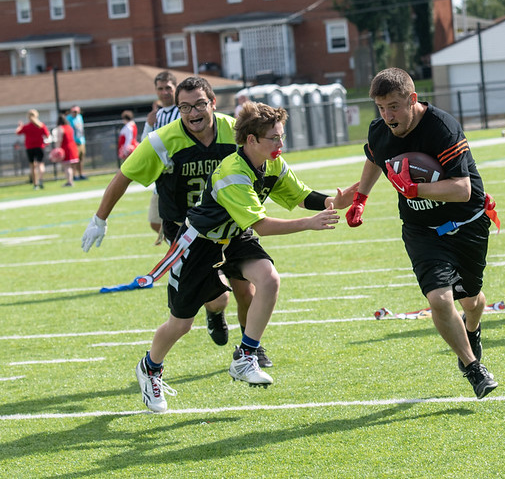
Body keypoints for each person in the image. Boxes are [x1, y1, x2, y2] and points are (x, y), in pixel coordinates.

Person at [134, 100, 357, 412]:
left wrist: (336, 200)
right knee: (181, 324)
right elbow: (262, 226)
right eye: (275, 138)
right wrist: (309, 224)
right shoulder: (233, 173)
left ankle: (246, 356)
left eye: (282, 136)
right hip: (200, 242)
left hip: (234, 235)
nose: (281, 143)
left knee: (268, 280)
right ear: (251, 140)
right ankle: (149, 367)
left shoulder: (272, 162)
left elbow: (301, 195)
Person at [345, 67, 499, 399]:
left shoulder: (442, 128)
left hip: (466, 224)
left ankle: (472, 329)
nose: (387, 116)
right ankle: (473, 368)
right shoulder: (380, 130)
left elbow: (461, 189)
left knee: (471, 300)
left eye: (394, 107)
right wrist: (360, 198)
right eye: (381, 108)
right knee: (440, 298)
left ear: (413, 100)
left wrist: (415, 189)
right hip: (421, 230)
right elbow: (375, 159)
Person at [81, 76, 253, 357]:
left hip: (229, 223)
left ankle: (250, 351)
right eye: (185, 107)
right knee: (219, 298)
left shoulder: (234, 132)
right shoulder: (163, 140)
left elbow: (265, 164)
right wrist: (100, 219)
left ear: (212, 103)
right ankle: (213, 314)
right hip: (186, 231)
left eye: (199, 104)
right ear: (177, 110)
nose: (194, 113)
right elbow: (124, 175)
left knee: (249, 290)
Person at [143, 71, 181, 242]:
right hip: (162, 178)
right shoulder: (156, 116)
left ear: (175, 88)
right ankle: (179, 249)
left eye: (168, 88)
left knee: (177, 223)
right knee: (154, 221)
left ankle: (184, 253)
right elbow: (145, 145)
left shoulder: (182, 112)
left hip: (180, 177)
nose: (164, 92)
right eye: (160, 88)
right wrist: (148, 125)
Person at [15, 109, 50, 190]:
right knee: (40, 164)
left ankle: (35, 184)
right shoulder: (41, 125)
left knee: (33, 166)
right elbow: (47, 136)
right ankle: (41, 179)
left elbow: (17, 132)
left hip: (30, 148)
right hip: (40, 147)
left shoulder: (26, 126)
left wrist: (20, 126)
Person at [51, 113, 80, 187]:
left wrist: (57, 149)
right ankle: (71, 180)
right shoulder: (69, 127)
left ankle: (69, 182)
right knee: (70, 166)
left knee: (67, 166)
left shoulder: (61, 128)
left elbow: (59, 140)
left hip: (66, 148)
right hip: (72, 146)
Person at [66, 105, 87, 180]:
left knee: (81, 159)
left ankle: (81, 174)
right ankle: (74, 175)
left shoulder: (79, 117)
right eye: (74, 111)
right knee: (74, 160)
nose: (75, 113)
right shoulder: (68, 118)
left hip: (81, 141)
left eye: (76, 111)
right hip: (73, 142)